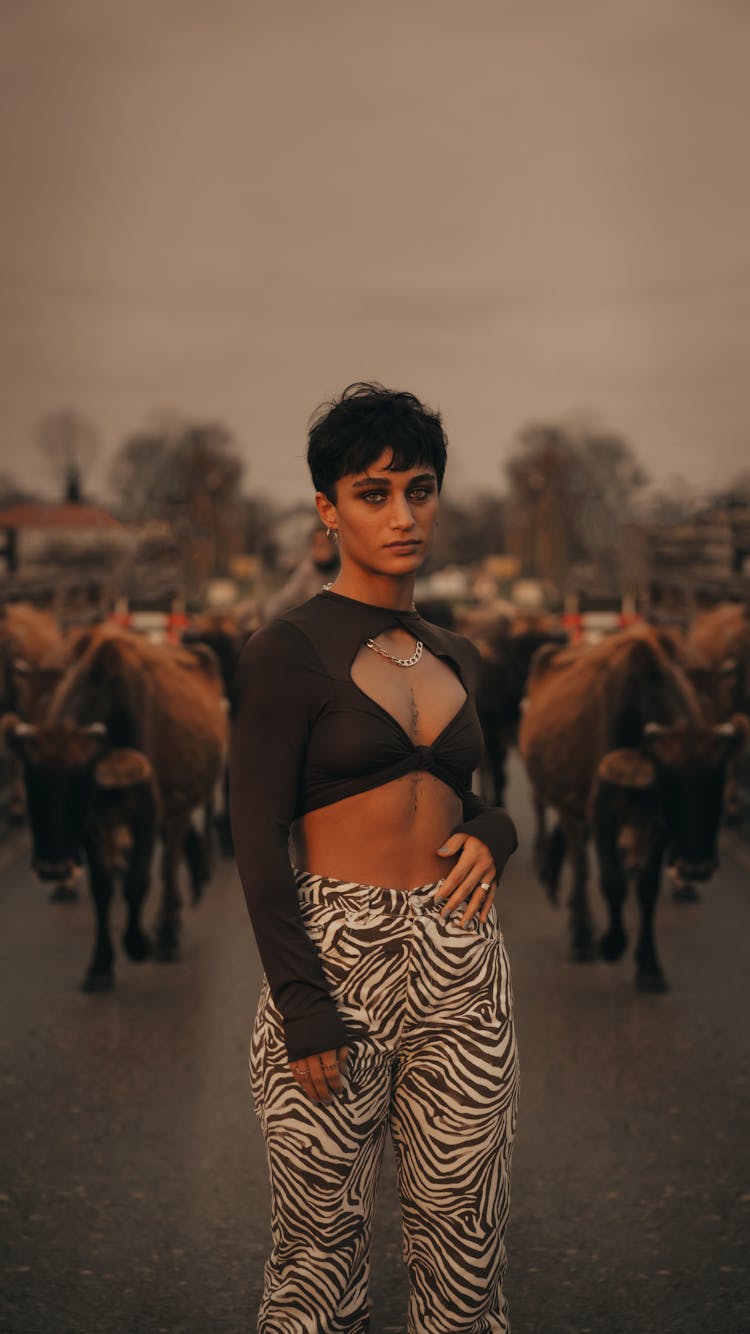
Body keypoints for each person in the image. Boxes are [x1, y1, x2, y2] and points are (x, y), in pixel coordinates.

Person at [230, 382, 519, 1334]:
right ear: (329, 509)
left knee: (466, 1253)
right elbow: (257, 829)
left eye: (421, 490)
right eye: (374, 492)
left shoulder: (457, 653)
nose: (404, 515)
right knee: (318, 1258)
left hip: (462, 961)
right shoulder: (288, 649)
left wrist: (494, 828)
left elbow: (466, 796)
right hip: (334, 955)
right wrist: (300, 1001)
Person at [263, 524, 339, 620]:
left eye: (328, 543)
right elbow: (284, 600)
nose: (325, 549)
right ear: (313, 548)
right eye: (320, 545)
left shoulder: (344, 570)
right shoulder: (305, 573)